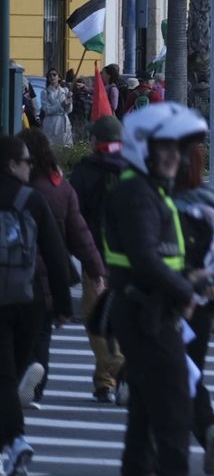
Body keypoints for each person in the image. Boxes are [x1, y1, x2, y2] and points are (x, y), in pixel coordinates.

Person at [104, 105, 214, 476]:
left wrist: (190, 278)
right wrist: (184, 289)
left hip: (151, 309)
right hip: (147, 314)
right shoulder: (136, 193)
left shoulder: (147, 190)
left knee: (143, 417)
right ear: (144, 147)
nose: (177, 156)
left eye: (179, 148)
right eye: (166, 147)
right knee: (173, 415)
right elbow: (143, 258)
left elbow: (158, 258)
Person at [0, 135, 73, 476]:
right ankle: (14, 442)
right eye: (26, 162)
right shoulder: (32, 200)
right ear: (11, 165)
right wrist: (62, 306)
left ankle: (15, 441)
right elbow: (57, 257)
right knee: (8, 376)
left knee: (4, 378)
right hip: (28, 302)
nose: (30, 167)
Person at [19, 128, 103, 406]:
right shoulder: (61, 188)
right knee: (43, 333)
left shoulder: (17, 188)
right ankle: (36, 389)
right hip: (50, 278)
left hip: (17, 273)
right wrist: (96, 270)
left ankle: (19, 377)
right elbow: (80, 234)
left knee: (15, 332)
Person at [173, 136, 214, 476]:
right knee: (191, 370)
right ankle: (207, 429)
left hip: (175, 300)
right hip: (208, 302)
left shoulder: (168, 206)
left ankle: (166, 447)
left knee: (169, 375)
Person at [68, 115, 129, 403]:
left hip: (96, 260)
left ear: (96, 140)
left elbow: (73, 217)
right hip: (128, 261)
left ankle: (121, 372)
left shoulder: (85, 172)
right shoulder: (134, 170)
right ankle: (105, 381)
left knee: (95, 320)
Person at [39, 70, 72, 147]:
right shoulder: (44, 92)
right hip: (51, 123)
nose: (52, 77)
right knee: (51, 147)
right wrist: (61, 104)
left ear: (59, 77)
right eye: (50, 75)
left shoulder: (65, 91)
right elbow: (47, 110)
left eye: (54, 74)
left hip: (63, 123)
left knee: (65, 147)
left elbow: (69, 110)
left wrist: (69, 102)